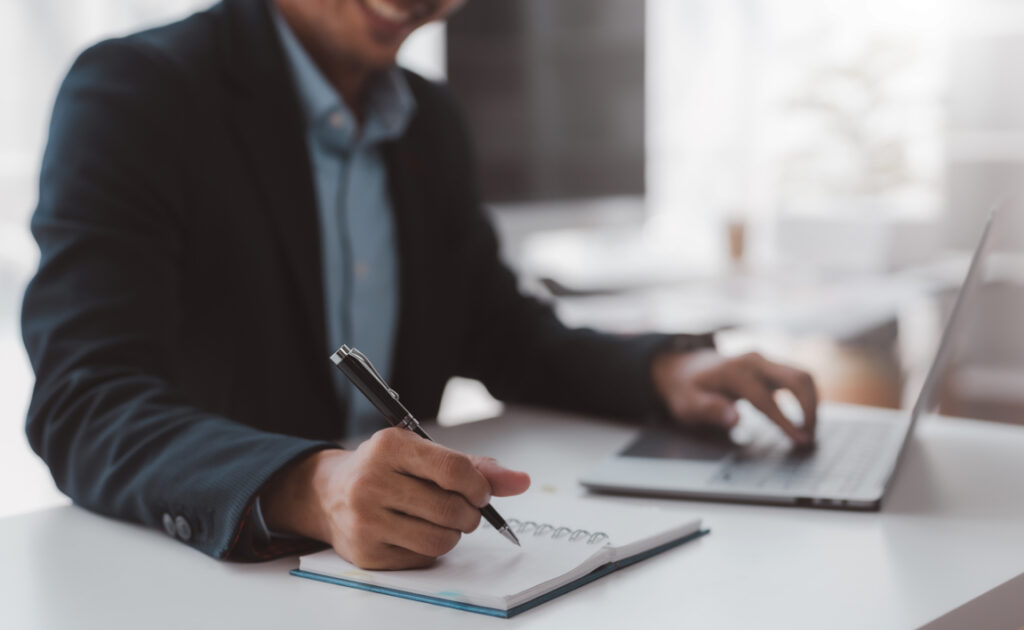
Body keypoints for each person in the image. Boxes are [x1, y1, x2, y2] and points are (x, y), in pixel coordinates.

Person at [22, 0, 818, 569]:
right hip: (199, 595)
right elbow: (85, 401)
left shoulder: (430, 120)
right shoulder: (135, 93)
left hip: (406, 610)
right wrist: (311, 485)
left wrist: (662, 371)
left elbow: (501, 332)